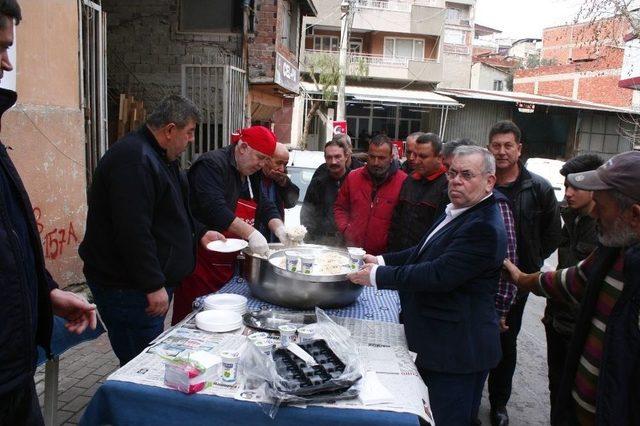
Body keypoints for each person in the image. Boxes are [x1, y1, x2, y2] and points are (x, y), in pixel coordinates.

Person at [348, 146, 506, 425]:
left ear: (489, 181)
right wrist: (381, 260)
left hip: (457, 352)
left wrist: (376, 277)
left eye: (467, 175)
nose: (456, 180)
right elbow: (422, 252)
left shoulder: (483, 226)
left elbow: (437, 275)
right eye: (453, 173)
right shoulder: (458, 210)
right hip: (437, 342)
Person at [0, 2, 97, 422]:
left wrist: (45, 292)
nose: (7, 64)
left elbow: (11, 244)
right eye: (0, 48)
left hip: (14, 375)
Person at [80, 95, 222, 366]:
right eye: (189, 132)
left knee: (147, 356)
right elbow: (132, 230)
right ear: (170, 130)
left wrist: (200, 232)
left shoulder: (159, 156)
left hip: (144, 285)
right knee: (141, 364)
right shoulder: (134, 160)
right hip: (129, 289)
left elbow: (172, 211)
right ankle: (132, 405)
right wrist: (152, 284)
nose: (191, 140)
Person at [503, 150, 640, 425]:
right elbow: (568, 281)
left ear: (635, 215)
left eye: (600, 206)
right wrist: (520, 278)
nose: (594, 213)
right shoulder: (613, 250)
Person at [486, 120, 562, 426]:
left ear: (519, 149)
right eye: (496, 145)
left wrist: (527, 265)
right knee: (476, 337)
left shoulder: (539, 188)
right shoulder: (482, 181)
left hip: (519, 282)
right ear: (488, 148)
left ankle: (498, 405)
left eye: (508, 146)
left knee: (506, 343)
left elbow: (552, 236)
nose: (502, 152)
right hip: (480, 278)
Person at [172, 126, 287, 324]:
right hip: (201, 259)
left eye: (265, 160)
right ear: (243, 147)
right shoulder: (211, 165)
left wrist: (278, 227)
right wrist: (252, 233)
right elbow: (214, 208)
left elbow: (264, 204)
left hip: (228, 261)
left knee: (226, 319)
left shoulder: (251, 171)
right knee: (194, 318)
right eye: (259, 158)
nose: (261, 165)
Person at [543, 154, 603, 419]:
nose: (568, 193)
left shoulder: (606, 228)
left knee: (578, 399)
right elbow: (562, 270)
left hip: (581, 329)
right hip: (558, 321)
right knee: (557, 388)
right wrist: (551, 312)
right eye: (566, 186)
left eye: (576, 187)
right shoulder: (572, 218)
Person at [334, 134, 407, 255]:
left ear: (391, 157)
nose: (375, 162)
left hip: (383, 257)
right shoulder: (353, 177)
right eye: (372, 157)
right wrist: (346, 229)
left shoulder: (403, 182)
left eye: (381, 158)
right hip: (352, 251)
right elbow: (340, 207)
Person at [387, 133, 448, 252]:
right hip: (399, 255)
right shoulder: (410, 180)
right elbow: (396, 219)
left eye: (423, 156)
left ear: (440, 157)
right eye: (415, 155)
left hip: (426, 257)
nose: (416, 160)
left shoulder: (448, 186)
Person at [301, 138, 350, 246]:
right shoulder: (318, 183)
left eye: (337, 157)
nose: (333, 161)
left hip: (348, 244)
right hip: (320, 243)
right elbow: (306, 214)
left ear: (346, 156)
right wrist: (313, 239)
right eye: (329, 157)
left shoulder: (355, 181)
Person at [255, 142, 299, 242]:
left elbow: (292, 202)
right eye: (278, 163)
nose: (282, 169)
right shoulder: (253, 175)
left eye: (285, 164)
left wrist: (285, 183)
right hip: (255, 233)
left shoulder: (281, 178)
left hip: (276, 235)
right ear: (265, 159)